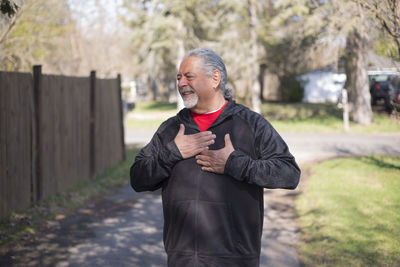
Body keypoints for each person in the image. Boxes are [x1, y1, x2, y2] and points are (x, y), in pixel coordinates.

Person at [130, 48, 300, 267]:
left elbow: (289, 173)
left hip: (235, 259)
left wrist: (234, 163)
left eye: (189, 76)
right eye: (179, 78)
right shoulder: (171, 129)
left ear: (215, 78)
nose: (181, 83)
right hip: (182, 259)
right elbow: (137, 178)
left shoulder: (251, 124)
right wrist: (172, 153)